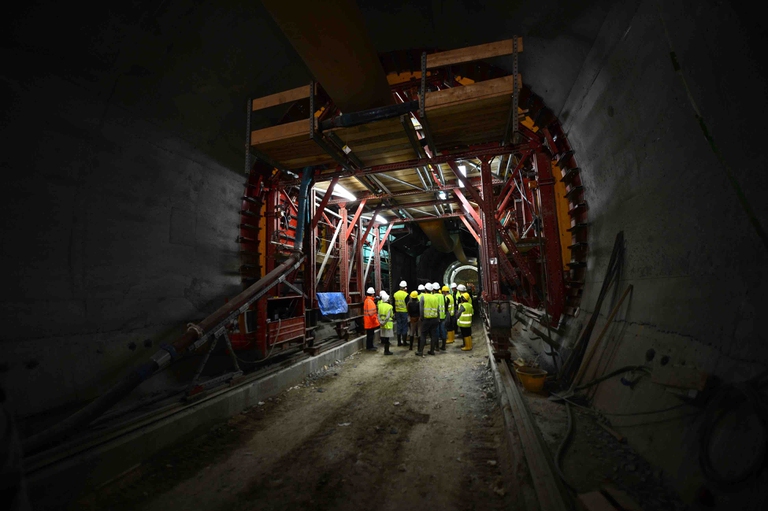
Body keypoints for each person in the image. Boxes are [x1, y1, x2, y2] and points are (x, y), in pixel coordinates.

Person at [418, 283, 440, 356]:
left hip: (426, 319)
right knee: (433, 335)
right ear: (431, 290)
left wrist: (421, 318)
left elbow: (421, 309)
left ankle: (420, 351)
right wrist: (438, 318)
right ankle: (432, 351)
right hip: (435, 319)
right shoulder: (435, 298)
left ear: (425, 289)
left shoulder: (423, 297)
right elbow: (437, 309)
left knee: (423, 335)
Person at [393, 280, 409, 346]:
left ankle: (399, 342)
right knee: (404, 326)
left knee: (399, 326)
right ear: (405, 287)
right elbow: (408, 304)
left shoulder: (395, 294)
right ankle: (404, 342)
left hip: (397, 312)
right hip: (404, 312)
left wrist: (394, 311)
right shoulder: (406, 295)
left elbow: (393, 304)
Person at [434, 282, 446, 351]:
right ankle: (443, 346)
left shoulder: (433, 296)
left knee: (436, 331)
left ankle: (437, 347)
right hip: (442, 316)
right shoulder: (442, 296)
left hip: (436, 317)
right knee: (443, 330)